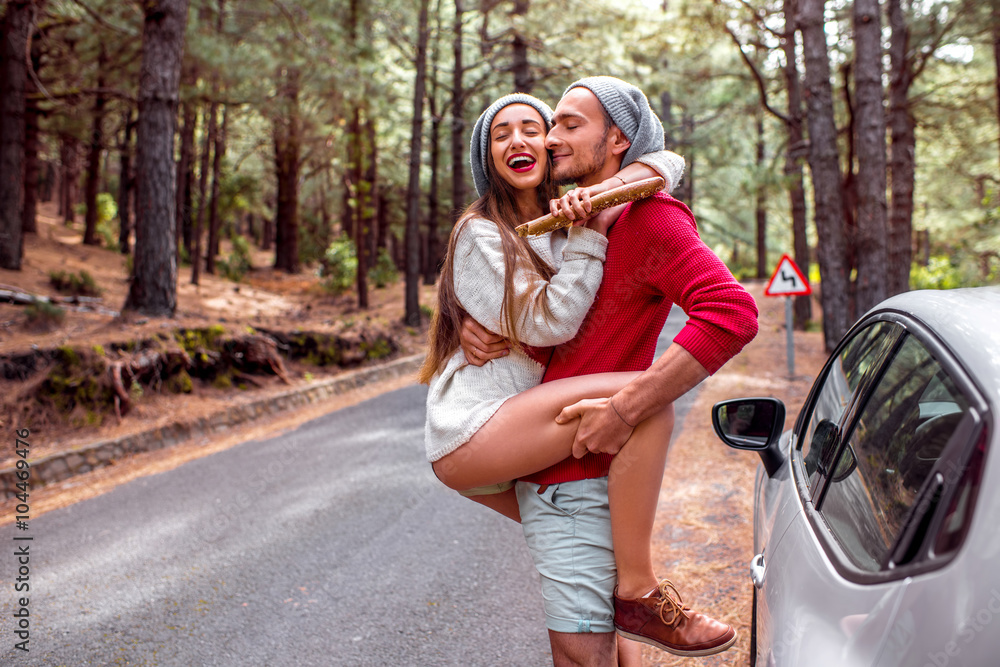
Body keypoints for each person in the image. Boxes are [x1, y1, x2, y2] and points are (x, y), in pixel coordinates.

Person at [458, 77, 759, 665]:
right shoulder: (571, 225)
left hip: (583, 477)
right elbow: (547, 327)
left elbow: (732, 313)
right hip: (549, 465)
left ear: (618, 139)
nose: (550, 138)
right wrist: (467, 329)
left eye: (570, 125)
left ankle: (640, 592)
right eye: (554, 125)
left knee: (584, 657)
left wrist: (626, 409)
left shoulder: (651, 219)